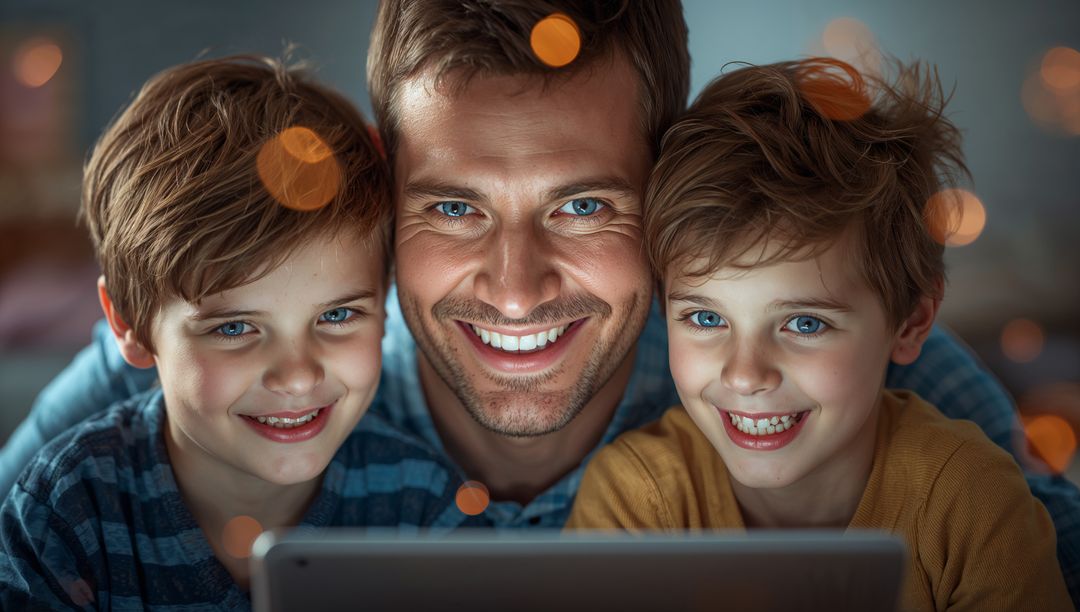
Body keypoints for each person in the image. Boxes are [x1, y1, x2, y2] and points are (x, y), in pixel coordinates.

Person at [1, 0, 1078, 601]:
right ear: (382, 185)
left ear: (664, 187)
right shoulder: (216, 357)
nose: (515, 288)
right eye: (455, 207)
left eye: (583, 206)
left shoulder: (839, 360)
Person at [564, 58, 1072, 610]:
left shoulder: (971, 501)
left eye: (805, 323)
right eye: (707, 318)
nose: (745, 374)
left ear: (912, 322)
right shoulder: (639, 500)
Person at [0, 56, 477, 609]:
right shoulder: (67, 511)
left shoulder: (423, 506)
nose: (298, 374)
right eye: (234, 327)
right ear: (127, 325)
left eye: (337, 316)